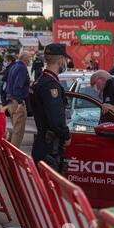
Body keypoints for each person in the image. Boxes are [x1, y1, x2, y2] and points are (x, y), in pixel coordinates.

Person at [31, 44, 71, 174]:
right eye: (65, 60)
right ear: (60, 61)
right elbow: (56, 119)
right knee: (52, 191)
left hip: (42, 143)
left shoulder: (41, 81)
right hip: (50, 149)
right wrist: (66, 135)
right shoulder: (50, 85)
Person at [5, 52, 31, 148]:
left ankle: (9, 152)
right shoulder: (22, 68)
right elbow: (17, 86)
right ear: (24, 59)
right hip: (17, 102)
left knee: (15, 130)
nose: (30, 60)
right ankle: (13, 155)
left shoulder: (14, 66)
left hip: (11, 101)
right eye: (29, 58)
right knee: (18, 132)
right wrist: (20, 102)